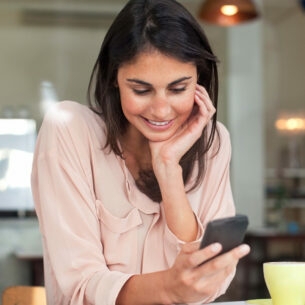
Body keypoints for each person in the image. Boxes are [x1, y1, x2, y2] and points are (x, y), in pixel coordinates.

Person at [31, 0, 250, 304]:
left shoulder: (213, 143)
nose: (161, 110)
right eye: (141, 90)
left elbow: (208, 279)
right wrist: (170, 288)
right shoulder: (69, 131)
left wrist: (168, 167)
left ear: (198, 81)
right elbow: (78, 287)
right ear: (114, 80)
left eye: (178, 89)